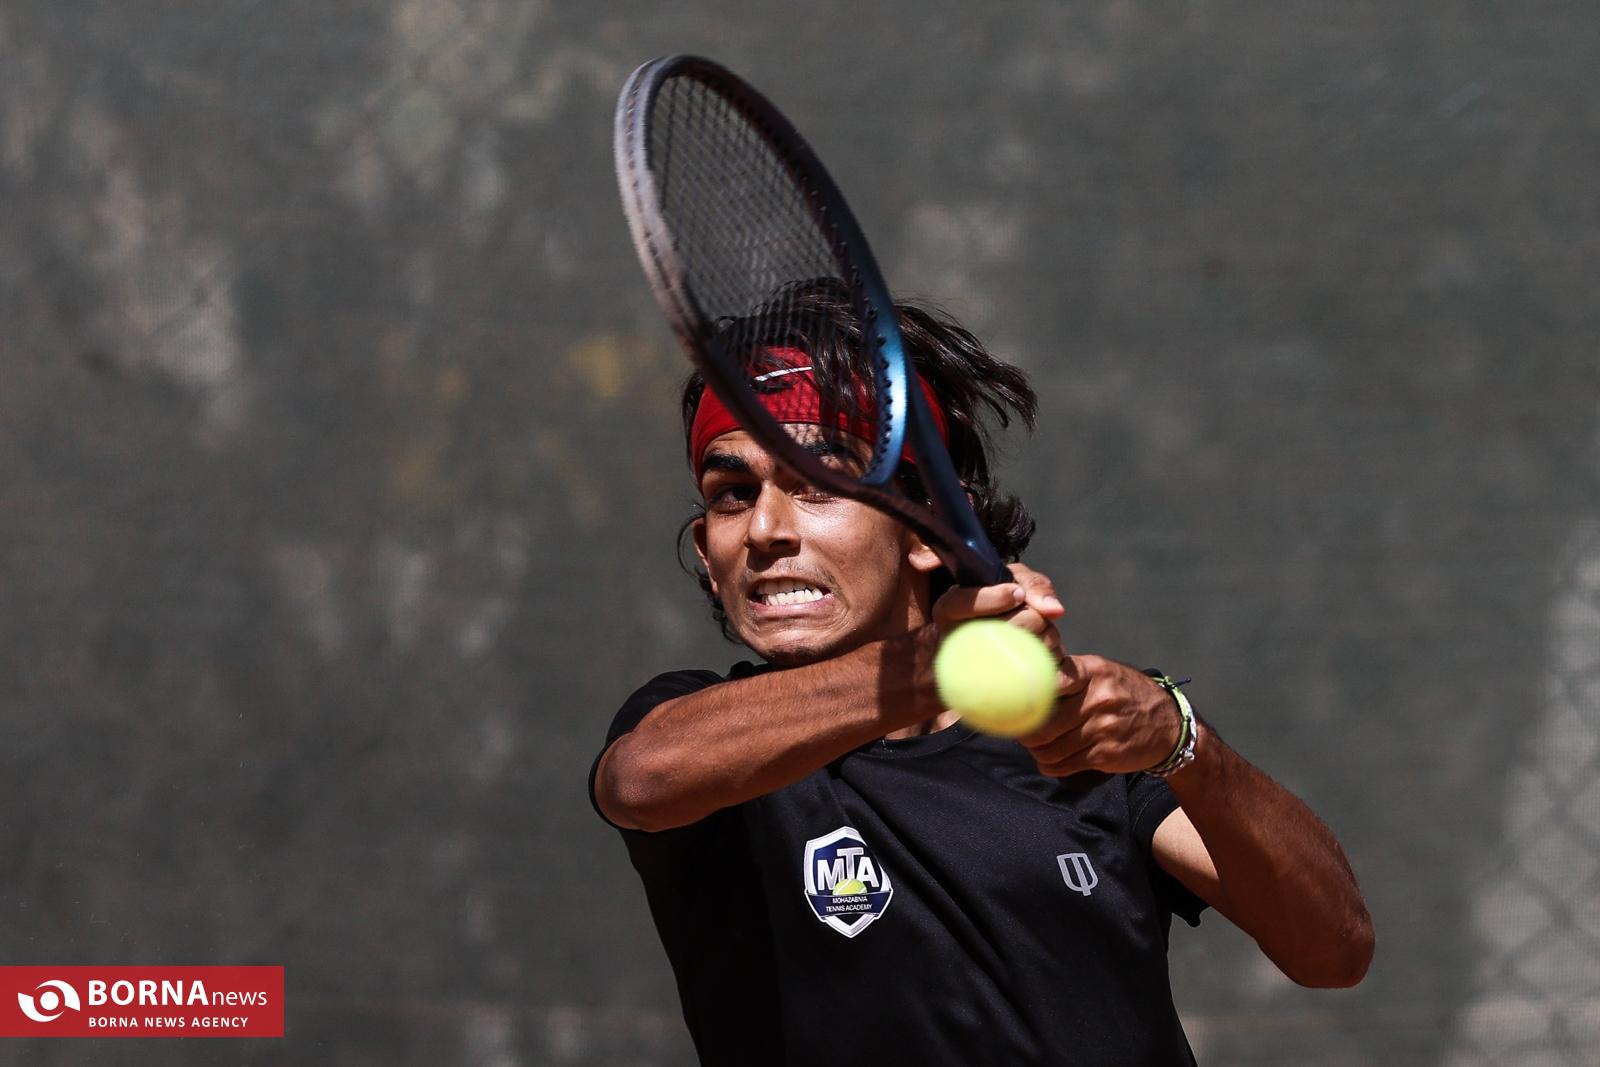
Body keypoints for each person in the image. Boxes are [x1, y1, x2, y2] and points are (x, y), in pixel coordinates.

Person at [590, 295, 1374, 1065]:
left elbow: (1333, 950)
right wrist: (938, 664)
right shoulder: (694, 728)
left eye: (819, 482)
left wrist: (1182, 739)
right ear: (707, 549)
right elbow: (642, 777)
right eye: (734, 494)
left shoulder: (1083, 734)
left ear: (928, 526)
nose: (764, 529)